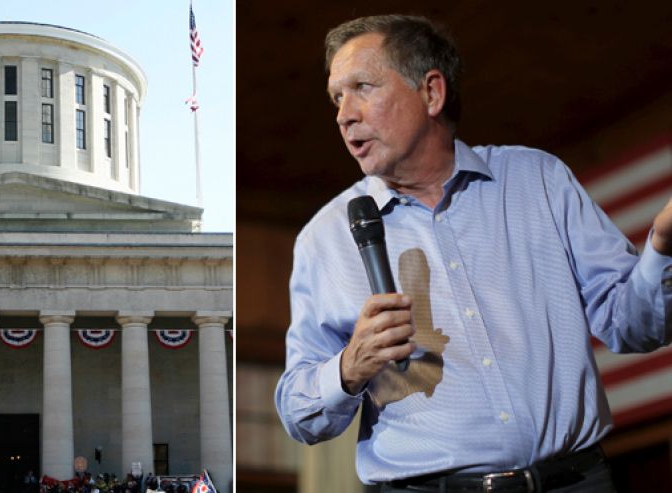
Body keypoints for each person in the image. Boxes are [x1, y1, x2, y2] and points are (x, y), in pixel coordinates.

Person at [274, 14, 672, 492]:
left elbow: (638, 327)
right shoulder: (325, 238)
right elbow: (299, 415)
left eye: (362, 87)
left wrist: (663, 246)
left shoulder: (539, 181)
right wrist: (349, 366)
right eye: (337, 97)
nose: (344, 114)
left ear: (431, 93)